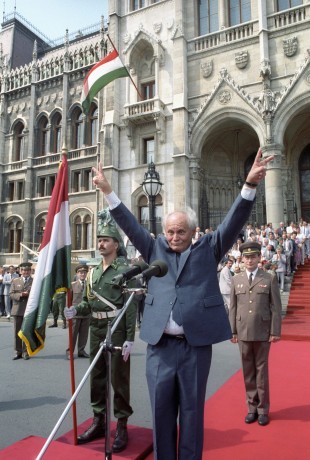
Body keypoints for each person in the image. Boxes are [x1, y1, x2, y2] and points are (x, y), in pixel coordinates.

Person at [91, 147, 272, 460]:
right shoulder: (153, 248)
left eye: (181, 232)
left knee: (191, 413)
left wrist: (250, 185)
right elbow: (130, 224)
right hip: (160, 347)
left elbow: (233, 221)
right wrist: (108, 191)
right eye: (170, 232)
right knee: (161, 412)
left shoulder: (210, 248)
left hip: (194, 346)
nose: (174, 237)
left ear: (192, 231)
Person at [64, 211, 136, 452]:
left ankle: (122, 424)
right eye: (99, 239)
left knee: (119, 379)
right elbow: (90, 301)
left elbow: (130, 305)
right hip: (96, 327)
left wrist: (129, 338)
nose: (100, 243)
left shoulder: (125, 269)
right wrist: (77, 310)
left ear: (116, 244)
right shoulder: (93, 272)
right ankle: (99, 420)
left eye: (105, 239)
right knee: (97, 378)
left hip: (115, 329)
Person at [229, 242, 282, 427]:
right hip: (242, 331)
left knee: (261, 372)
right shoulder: (236, 279)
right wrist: (232, 331)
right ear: (241, 259)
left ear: (259, 258)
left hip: (262, 331)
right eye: (246, 257)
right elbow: (233, 307)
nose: (249, 260)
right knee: (247, 371)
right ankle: (251, 408)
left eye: (253, 256)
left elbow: (276, 306)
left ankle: (263, 410)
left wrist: (275, 331)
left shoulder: (269, 278)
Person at [66, 265, 90, 360]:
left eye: (84, 272)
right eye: (81, 273)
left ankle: (81, 350)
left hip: (86, 313)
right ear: (77, 274)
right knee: (73, 334)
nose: (83, 274)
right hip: (75, 313)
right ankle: (70, 352)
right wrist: (67, 314)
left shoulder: (89, 285)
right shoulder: (73, 285)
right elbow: (68, 300)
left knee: (84, 334)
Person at [10, 262, 33, 360]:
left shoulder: (34, 281)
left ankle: (25, 351)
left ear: (30, 271)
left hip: (29, 310)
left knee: (27, 332)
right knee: (17, 332)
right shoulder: (15, 281)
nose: (25, 272)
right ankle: (17, 351)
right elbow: (11, 294)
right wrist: (20, 295)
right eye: (23, 270)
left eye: (27, 270)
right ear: (20, 271)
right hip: (18, 309)